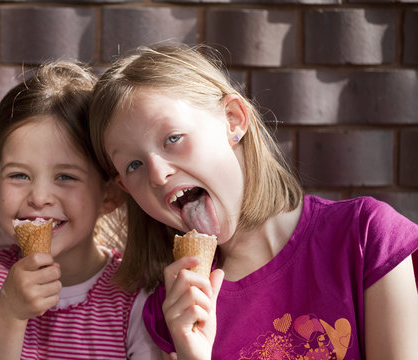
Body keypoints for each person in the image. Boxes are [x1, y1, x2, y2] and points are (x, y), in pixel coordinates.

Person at [88, 44, 418, 360]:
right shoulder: (171, 309)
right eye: (133, 165)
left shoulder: (365, 237)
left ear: (234, 119)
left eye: (172, 138)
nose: (157, 174)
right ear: (125, 188)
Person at [0, 61, 161, 360]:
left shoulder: (136, 295)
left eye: (65, 177)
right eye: (19, 175)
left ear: (109, 195)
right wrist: (9, 315)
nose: (39, 197)